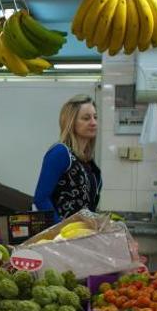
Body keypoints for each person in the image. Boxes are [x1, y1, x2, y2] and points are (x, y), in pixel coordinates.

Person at [33, 94, 102, 222]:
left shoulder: (86, 160)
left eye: (95, 117)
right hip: (65, 237)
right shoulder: (61, 153)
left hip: (83, 235)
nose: (93, 122)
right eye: (86, 118)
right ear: (71, 122)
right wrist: (61, 230)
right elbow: (41, 199)